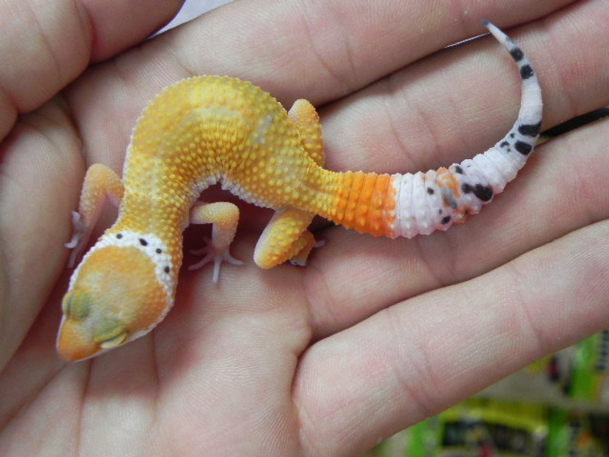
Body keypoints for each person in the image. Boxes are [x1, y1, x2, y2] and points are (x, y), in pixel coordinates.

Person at [0, 0, 607, 455]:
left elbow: (223, 215)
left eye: (103, 330)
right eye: (97, 323)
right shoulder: (131, 196)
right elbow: (108, 181)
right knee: (296, 148)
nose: (74, 339)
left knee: (267, 259)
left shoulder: (165, 213)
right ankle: (318, 219)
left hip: (297, 188)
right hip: (292, 142)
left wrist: (247, 244)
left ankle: (308, 233)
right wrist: (91, 223)